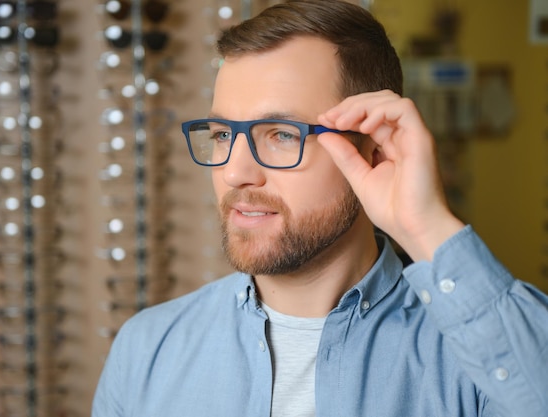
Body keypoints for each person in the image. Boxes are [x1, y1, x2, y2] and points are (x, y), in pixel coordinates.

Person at [92, 1, 548, 416]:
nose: (235, 174)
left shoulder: (478, 355)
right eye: (222, 135)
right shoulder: (146, 349)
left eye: (282, 134)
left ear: (371, 150)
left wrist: (426, 227)